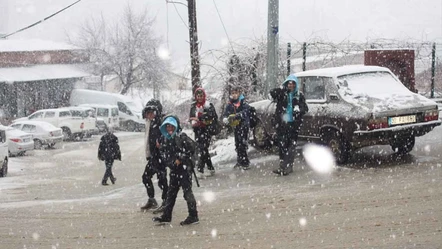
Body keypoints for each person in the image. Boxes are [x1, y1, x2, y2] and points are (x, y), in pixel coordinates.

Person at [152, 115, 199, 226]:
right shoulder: (165, 138)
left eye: (171, 126)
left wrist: (180, 158)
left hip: (184, 170)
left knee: (187, 193)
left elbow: (192, 149)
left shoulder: (181, 137)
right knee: (171, 194)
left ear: (176, 126)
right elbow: (166, 153)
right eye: (167, 126)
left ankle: (193, 216)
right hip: (174, 170)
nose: (169, 129)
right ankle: (167, 216)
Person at [270, 74, 308, 176]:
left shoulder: (299, 95)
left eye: (293, 83)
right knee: (282, 145)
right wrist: (281, 89)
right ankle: (282, 166)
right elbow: (272, 93)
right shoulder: (282, 94)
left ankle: (288, 166)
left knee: (291, 146)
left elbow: (305, 108)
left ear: (295, 85)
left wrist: (299, 110)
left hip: (293, 125)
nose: (290, 85)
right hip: (282, 124)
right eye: (289, 83)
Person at [140, 99, 168, 213]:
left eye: (152, 112)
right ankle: (152, 200)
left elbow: (167, 137)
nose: (150, 115)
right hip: (153, 157)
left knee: (162, 180)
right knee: (146, 177)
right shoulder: (150, 123)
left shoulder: (161, 124)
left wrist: (161, 145)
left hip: (160, 157)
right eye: (148, 112)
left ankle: (166, 202)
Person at [189, 87, 217, 178]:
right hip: (197, 130)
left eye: (201, 96)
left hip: (206, 130)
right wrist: (193, 121)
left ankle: (200, 170)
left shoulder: (208, 105)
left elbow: (213, 116)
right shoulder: (193, 106)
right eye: (198, 96)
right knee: (203, 150)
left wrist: (201, 117)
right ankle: (211, 168)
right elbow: (191, 117)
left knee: (203, 149)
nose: (200, 97)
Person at [222, 86, 251, 170]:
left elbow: (246, 111)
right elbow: (226, 113)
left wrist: (238, 115)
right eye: (233, 93)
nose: (234, 95)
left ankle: (245, 162)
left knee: (243, 143)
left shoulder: (243, 102)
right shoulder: (230, 104)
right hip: (236, 126)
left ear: (239, 93)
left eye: (236, 93)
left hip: (244, 125)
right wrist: (225, 118)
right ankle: (239, 160)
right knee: (237, 143)